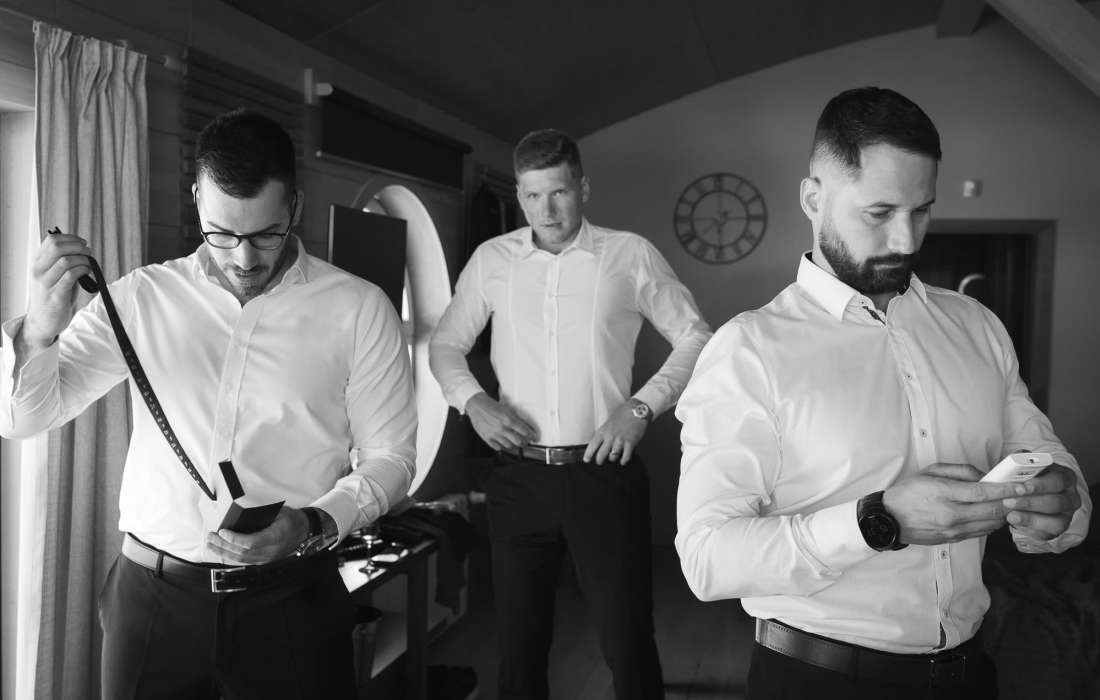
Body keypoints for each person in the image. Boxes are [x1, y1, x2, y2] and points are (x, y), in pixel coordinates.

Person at [675, 87, 1091, 700]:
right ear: (813, 199)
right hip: (818, 682)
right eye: (880, 212)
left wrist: (1063, 502)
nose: (905, 239)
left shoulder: (976, 326)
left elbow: (1047, 460)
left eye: (921, 211)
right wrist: (879, 520)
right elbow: (707, 558)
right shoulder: (748, 350)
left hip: (970, 676)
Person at [0, 109, 416, 698]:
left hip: (293, 598)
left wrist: (313, 524)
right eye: (222, 234)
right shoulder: (141, 298)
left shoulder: (360, 310)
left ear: (294, 207)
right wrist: (40, 330)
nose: (244, 259)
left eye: (266, 234)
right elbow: (23, 418)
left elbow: (392, 457)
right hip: (151, 602)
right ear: (197, 201)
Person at [430, 128, 711, 699]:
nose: (547, 210)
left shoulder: (629, 254)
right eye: (533, 196)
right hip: (518, 477)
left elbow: (697, 337)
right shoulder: (492, 261)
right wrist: (474, 402)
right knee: (519, 647)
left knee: (627, 641)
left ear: (583, 188)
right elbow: (445, 345)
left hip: (603, 476)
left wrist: (641, 408)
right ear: (519, 194)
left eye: (558, 192)